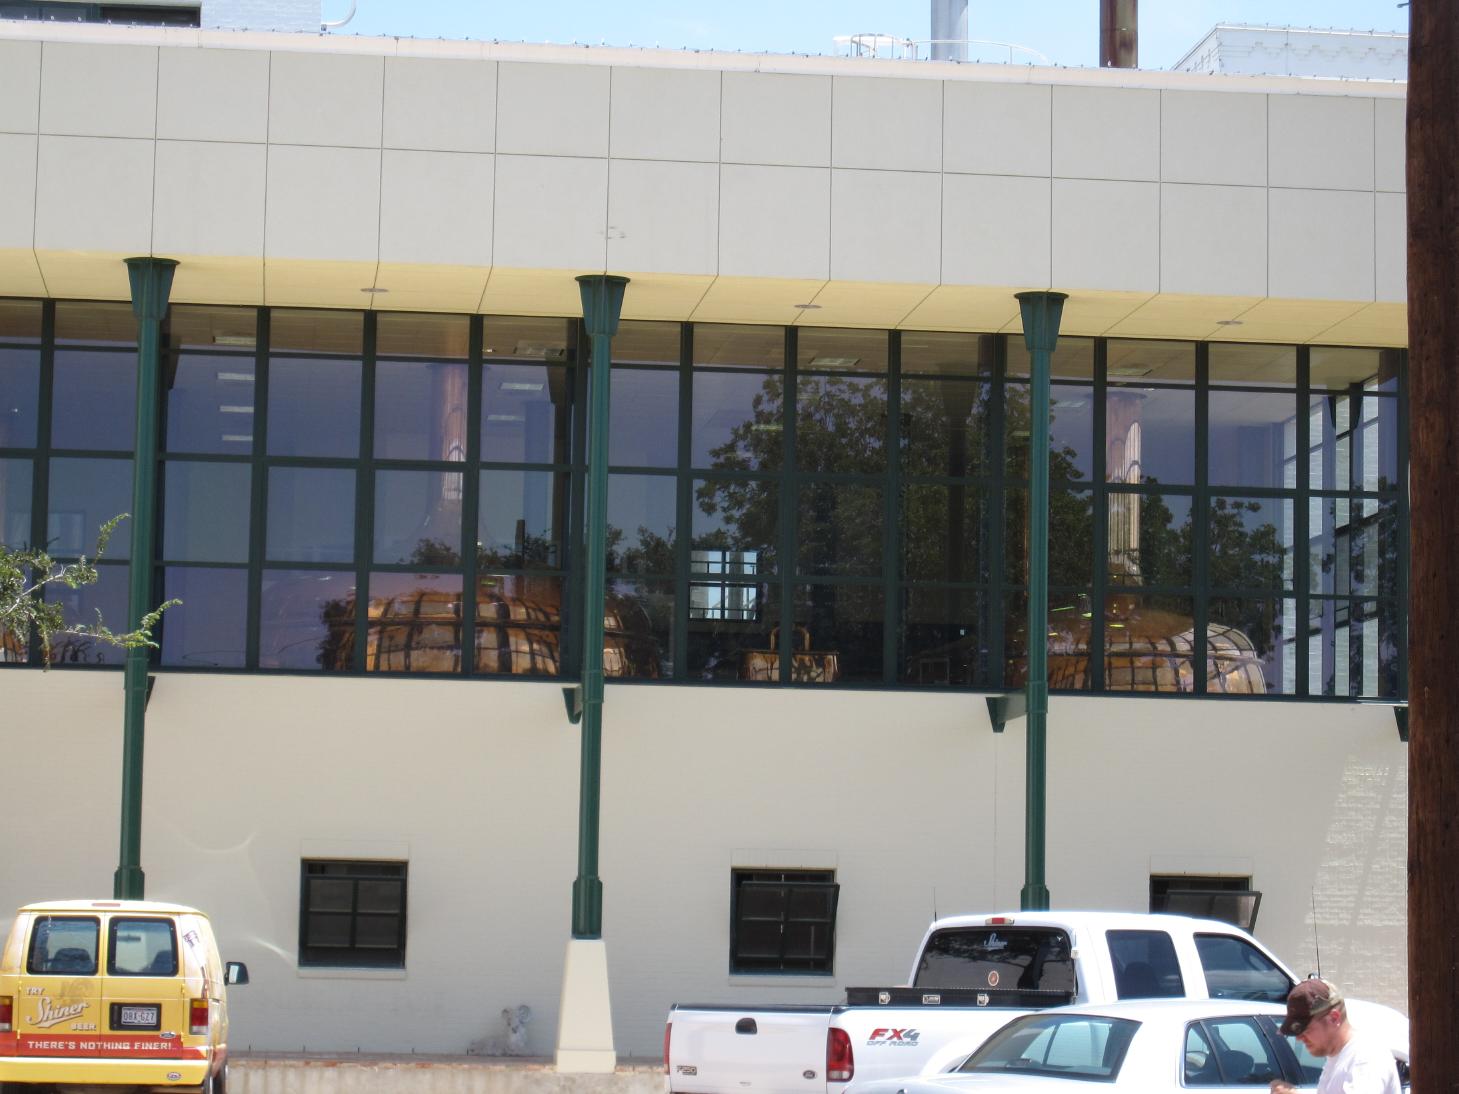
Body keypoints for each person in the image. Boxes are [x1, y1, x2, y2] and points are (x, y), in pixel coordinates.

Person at [1269, 978, 1401, 1094]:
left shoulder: (1367, 1057)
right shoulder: (1338, 1057)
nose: (1299, 1037)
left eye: (1305, 1029)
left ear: (1334, 1018)